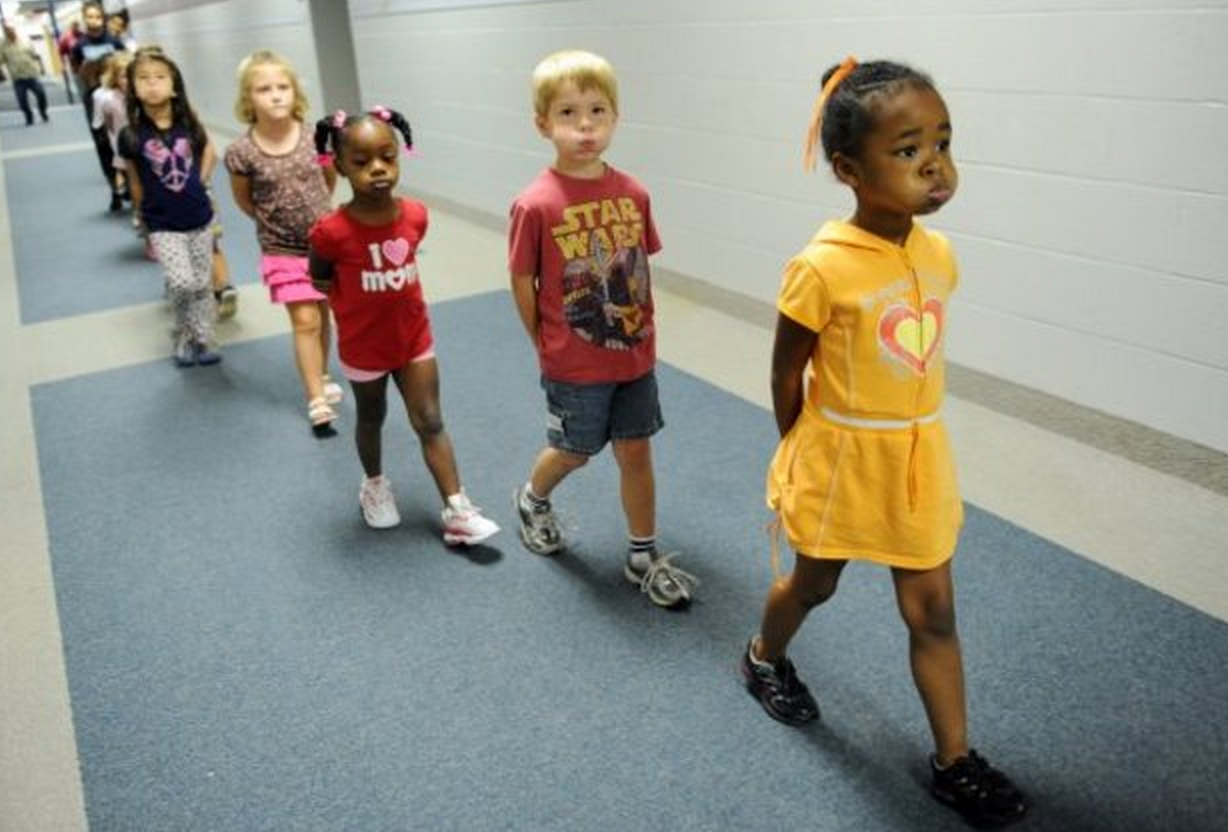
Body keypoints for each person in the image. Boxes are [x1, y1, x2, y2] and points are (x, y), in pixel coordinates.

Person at [738, 58, 1027, 827]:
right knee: (814, 586)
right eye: (907, 150)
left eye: (942, 142)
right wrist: (799, 449)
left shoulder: (937, 253)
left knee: (933, 612)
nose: (934, 165)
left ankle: (955, 763)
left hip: (917, 458)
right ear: (849, 170)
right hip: (841, 460)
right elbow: (785, 371)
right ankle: (763, 657)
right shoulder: (820, 268)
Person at [507, 50, 696, 609]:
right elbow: (521, 280)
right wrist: (543, 342)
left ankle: (643, 555)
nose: (585, 126)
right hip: (573, 361)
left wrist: (640, 330)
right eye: (568, 113)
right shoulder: (536, 204)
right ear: (543, 124)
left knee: (636, 452)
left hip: (633, 356)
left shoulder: (633, 193)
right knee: (575, 451)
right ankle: (532, 499)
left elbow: (636, 266)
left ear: (615, 117)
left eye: (597, 111)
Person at [308, 107, 499, 545]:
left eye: (387, 157)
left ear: (399, 156)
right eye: (361, 161)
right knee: (371, 416)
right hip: (364, 346)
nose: (377, 168)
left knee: (430, 419)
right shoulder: (331, 232)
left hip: (413, 339)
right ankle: (374, 485)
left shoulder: (415, 215)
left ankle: (457, 508)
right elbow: (320, 277)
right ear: (340, 166)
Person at [226, 50, 340, 433]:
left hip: (324, 244)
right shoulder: (241, 152)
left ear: (295, 92)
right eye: (264, 89)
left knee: (322, 313)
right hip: (281, 248)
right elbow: (244, 199)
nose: (275, 95)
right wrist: (274, 223)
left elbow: (328, 182)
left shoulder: (316, 138)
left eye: (282, 87)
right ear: (248, 98)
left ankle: (321, 372)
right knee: (305, 320)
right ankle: (316, 398)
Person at [118, 47, 222, 367]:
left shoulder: (189, 124)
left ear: (174, 86)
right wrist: (141, 216)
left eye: (160, 77)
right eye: (143, 78)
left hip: (198, 215)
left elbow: (210, 151)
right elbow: (135, 180)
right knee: (181, 282)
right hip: (161, 221)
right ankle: (182, 333)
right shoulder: (131, 134)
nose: (152, 84)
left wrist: (200, 181)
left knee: (202, 282)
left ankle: (203, 336)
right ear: (133, 88)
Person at [71, 1, 126, 209]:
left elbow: (125, 67)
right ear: (84, 19)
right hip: (94, 99)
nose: (94, 20)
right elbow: (77, 73)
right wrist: (87, 72)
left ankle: (130, 183)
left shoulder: (115, 41)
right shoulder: (79, 46)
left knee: (123, 140)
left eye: (97, 16)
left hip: (117, 98)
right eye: (90, 16)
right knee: (103, 144)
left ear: (103, 18)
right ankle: (114, 189)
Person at [91, 53, 132, 206]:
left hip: (144, 143)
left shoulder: (143, 95)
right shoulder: (106, 99)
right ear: (115, 78)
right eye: (124, 76)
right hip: (122, 145)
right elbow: (105, 126)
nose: (129, 80)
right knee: (133, 179)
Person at [0, 23, 50, 126]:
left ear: (15, 31)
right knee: (22, 101)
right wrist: (2, 74)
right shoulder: (3, 46)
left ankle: (43, 111)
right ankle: (29, 116)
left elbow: (34, 55)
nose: (11, 34)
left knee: (41, 94)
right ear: (6, 34)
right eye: (8, 33)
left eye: (12, 32)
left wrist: (42, 68)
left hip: (31, 75)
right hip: (18, 78)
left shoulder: (24, 41)